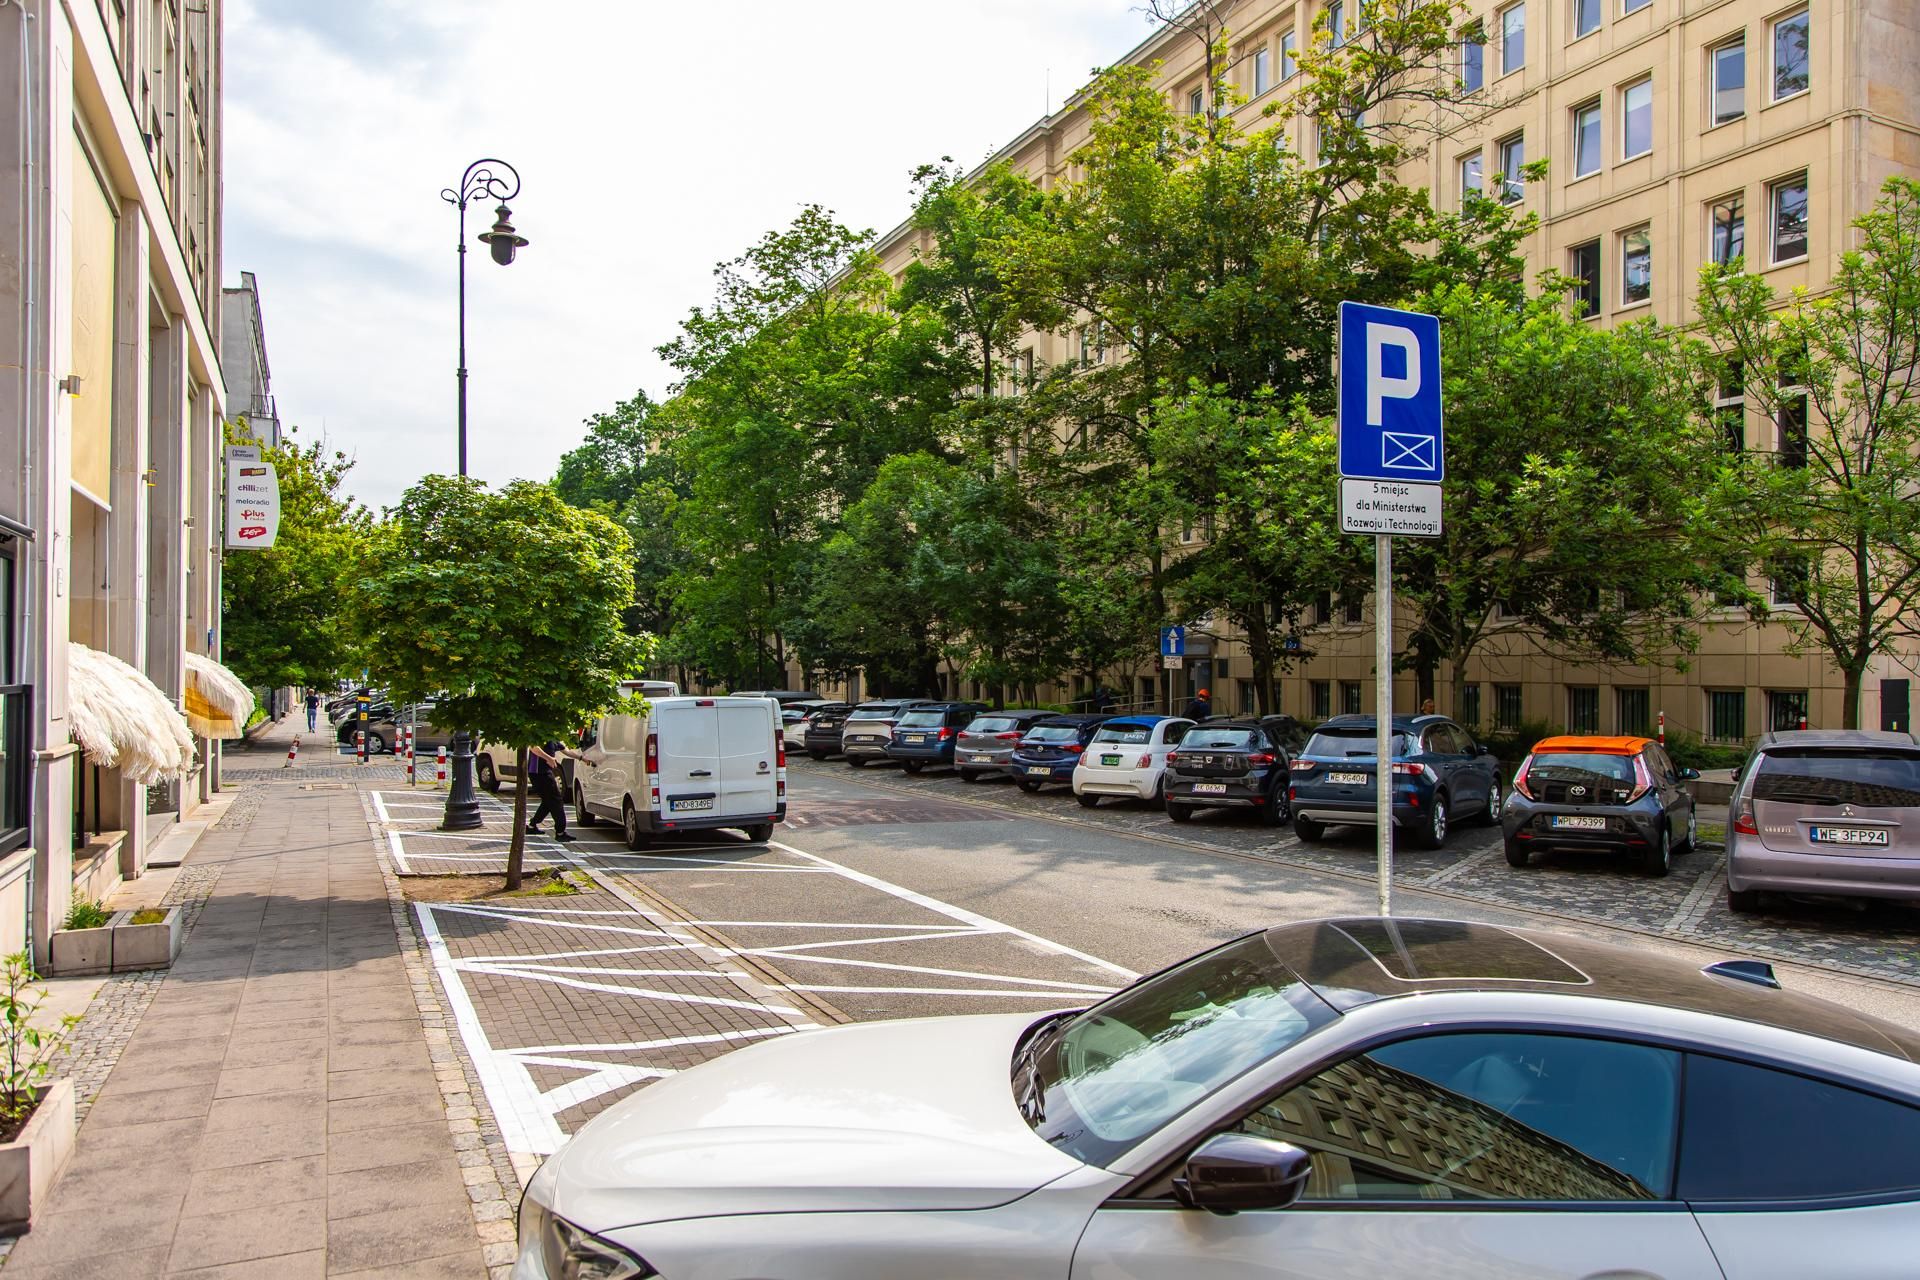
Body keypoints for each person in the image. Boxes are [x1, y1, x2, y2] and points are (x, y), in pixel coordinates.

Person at [524, 739, 579, 842]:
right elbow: (533, 746)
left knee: (547, 802)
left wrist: (581, 758)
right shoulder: (541, 736)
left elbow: (566, 751)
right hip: (539, 774)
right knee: (556, 801)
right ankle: (560, 833)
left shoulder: (553, 738)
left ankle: (532, 826)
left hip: (545, 773)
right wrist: (548, 758)